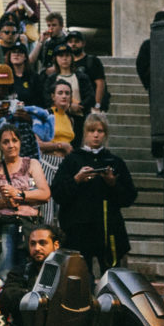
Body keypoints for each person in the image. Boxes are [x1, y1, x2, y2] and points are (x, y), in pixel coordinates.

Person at [50, 112, 137, 276]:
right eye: (91, 131)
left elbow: (129, 197)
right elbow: (58, 193)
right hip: (78, 229)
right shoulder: (72, 160)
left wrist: (113, 183)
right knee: (80, 277)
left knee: (112, 276)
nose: (96, 135)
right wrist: (77, 179)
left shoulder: (114, 161)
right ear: (85, 133)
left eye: (100, 131)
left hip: (107, 228)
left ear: (105, 133)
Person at [0, 124, 52, 274]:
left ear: (20, 142)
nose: (11, 145)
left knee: (31, 271)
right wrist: (4, 201)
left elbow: (45, 194)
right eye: (6, 142)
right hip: (4, 225)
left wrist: (19, 194)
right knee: (6, 270)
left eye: (14, 140)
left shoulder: (31, 164)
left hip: (29, 225)